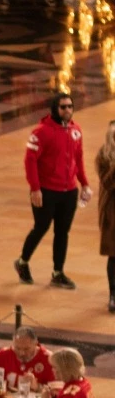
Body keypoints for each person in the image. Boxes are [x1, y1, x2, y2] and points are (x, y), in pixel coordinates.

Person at [15, 93, 91, 290]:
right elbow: (29, 161)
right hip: (47, 191)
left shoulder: (76, 130)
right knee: (41, 227)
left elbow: (79, 159)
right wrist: (35, 189)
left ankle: (58, 273)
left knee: (62, 232)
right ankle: (22, 262)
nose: (67, 110)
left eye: (70, 106)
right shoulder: (41, 132)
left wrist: (85, 184)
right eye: (63, 107)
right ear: (54, 109)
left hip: (69, 191)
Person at [0, 327, 55, 393]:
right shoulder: (4, 354)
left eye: (26, 349)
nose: (21, 353)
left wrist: (37, 387)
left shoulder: (49, 359)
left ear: (36, 343)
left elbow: (58, 393)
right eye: (17, 348)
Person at [97, 121, 115, 312]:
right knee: (114, 256)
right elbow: (108, 183)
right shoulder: (104, 156)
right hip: (112, 213)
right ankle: (113, 295)